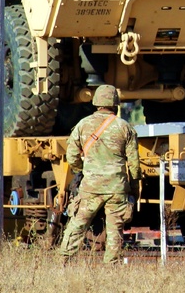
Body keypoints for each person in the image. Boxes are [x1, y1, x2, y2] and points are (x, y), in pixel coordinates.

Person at [59, 85, 140, 264]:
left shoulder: (83, 125)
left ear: (96, 103)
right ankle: (111, 267)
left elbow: (71, 156)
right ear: (115, 104)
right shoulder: (124, 127)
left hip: (90, 187)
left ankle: (64, 262)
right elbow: (134, 164)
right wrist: (134, 189)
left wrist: (83, 170)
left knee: (77, 224)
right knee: (115, 231)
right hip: (116, 188)